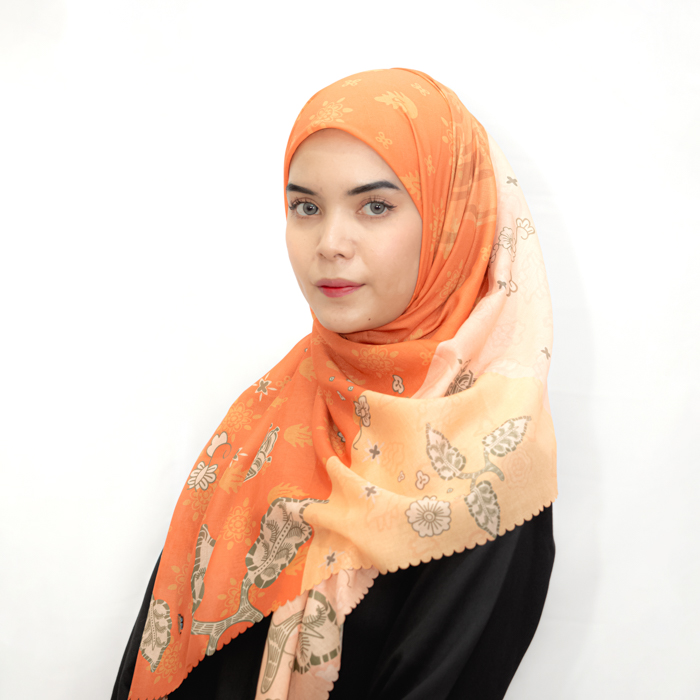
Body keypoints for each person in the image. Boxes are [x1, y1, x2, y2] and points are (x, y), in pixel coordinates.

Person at [112, 68, 558, 700]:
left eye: (375, 206)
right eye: (306, 207)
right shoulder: (269, 415)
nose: (329, 243)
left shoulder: (492, 467)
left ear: (452, 222)